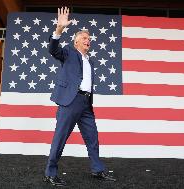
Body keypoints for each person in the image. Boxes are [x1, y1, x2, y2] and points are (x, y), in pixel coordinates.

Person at [43, 7, 116, 187]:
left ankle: (97, 170)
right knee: (60, 138)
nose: (88, 40)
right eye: (84, 38)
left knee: (93, 138)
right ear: (76, 42)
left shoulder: (90, 61)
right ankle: (50, 173)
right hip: (70, 101)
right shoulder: (68, 52)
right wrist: (59, 29)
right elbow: (53, 49)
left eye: (89, 39)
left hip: (85, 104)